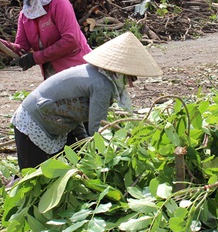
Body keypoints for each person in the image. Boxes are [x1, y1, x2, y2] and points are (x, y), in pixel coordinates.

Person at [11, 31, 163, 170]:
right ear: (121, 73)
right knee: (31, 177)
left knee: (70, 166)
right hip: (32, 123)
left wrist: (83, 141)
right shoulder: (103, 85)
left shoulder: (97, 73)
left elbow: (75, 112)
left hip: (53, 120)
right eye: (131, 77)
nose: (130, 84)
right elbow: (98, 129)